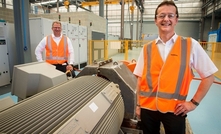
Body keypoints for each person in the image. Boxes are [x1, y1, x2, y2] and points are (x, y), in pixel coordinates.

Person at [133, 1, 218, 134]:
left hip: (175, 109)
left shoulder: (191, 45)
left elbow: (209, 76)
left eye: (170, 15)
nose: (166, 19)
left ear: (176, 19)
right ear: (155, 20)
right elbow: (139, 79)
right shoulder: (147, 48)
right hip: (147, 109)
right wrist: (138, 105)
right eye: (161, 16)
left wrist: (193, 103)